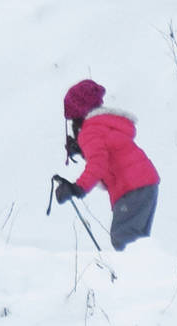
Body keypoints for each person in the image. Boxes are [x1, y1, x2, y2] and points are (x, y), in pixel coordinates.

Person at [53, 79, 160, 251]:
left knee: (123, 240)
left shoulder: (90, 131)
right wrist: (82, 152)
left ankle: (132, 277)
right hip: (144, 184)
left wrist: (77, 188)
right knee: (136, 245)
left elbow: (98, 164)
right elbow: (108, 154)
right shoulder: (102, 124)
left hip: (132, 188)